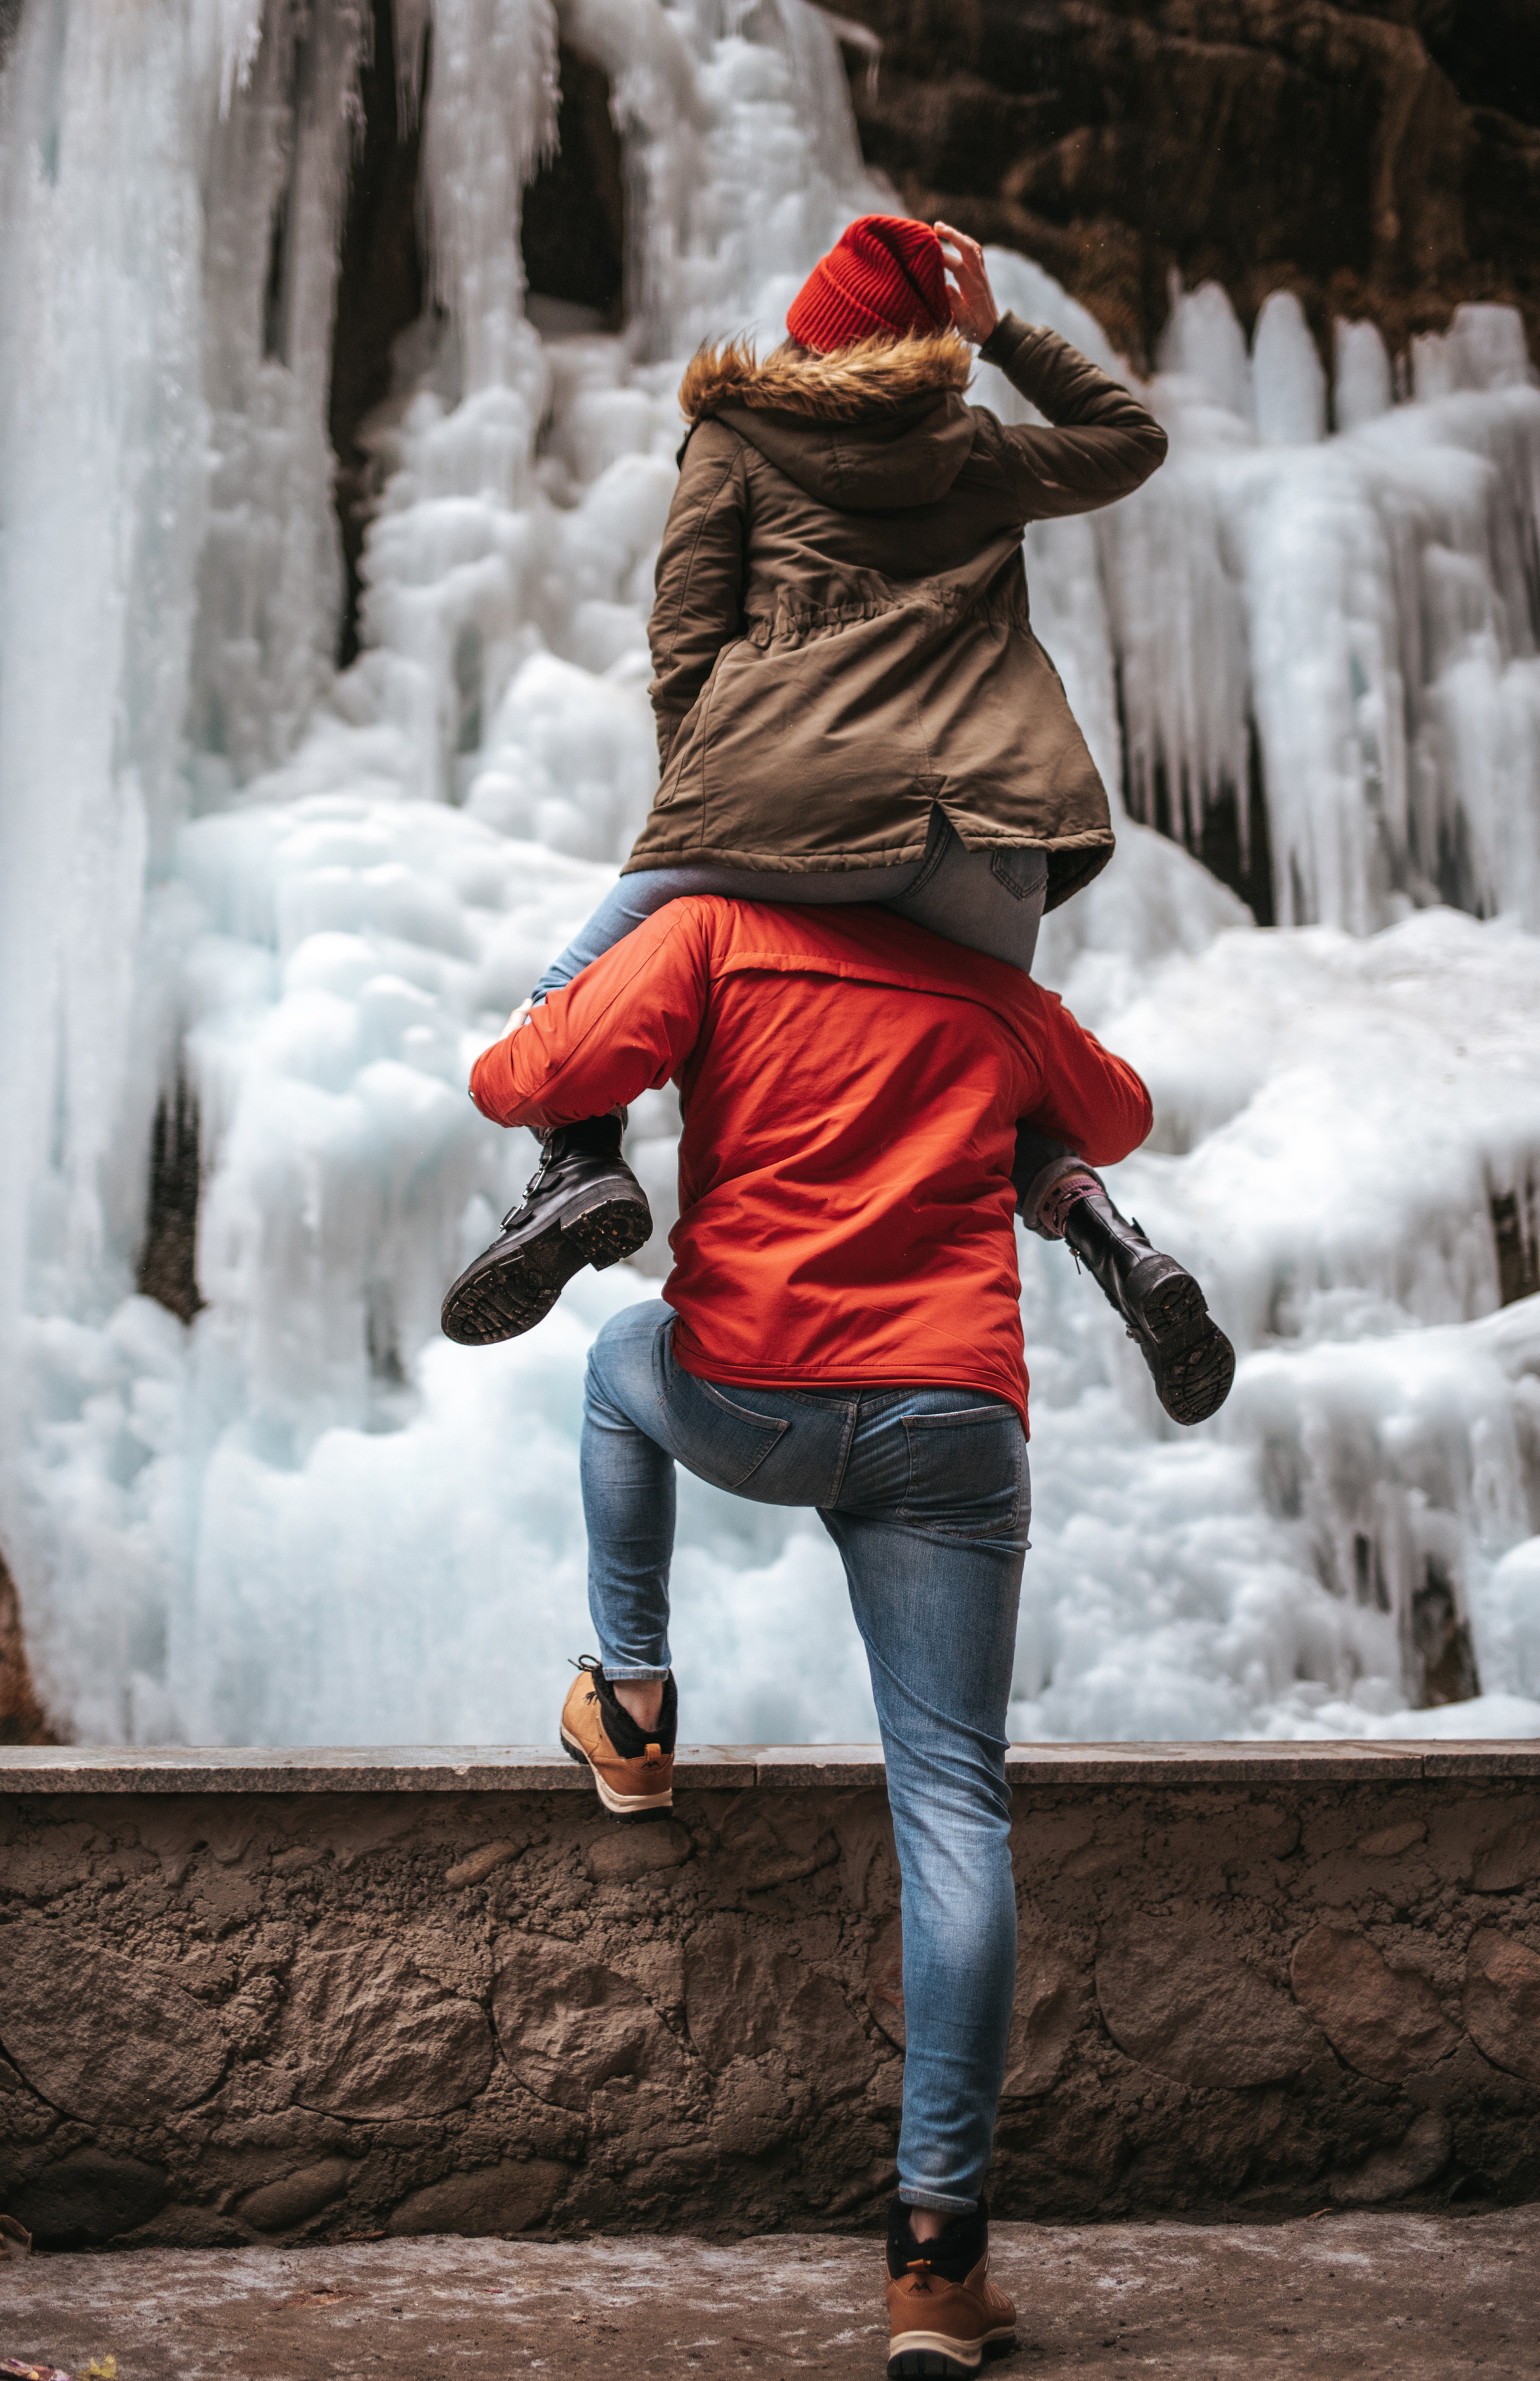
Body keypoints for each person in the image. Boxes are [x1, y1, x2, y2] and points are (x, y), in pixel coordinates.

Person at [466, 886, 1153, 2376]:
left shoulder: (714, 931)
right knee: (956, 1811)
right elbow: (1122, 1106)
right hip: (950, 1422)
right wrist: (1016, 1083)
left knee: (611, 1358)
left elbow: (514, 1074)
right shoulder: (989, 990)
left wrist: (605, 1053)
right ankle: (934, 2267)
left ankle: (631, 1704)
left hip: (750, 1392)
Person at [443, 215, 1234, 1424]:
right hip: (986, 842)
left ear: (812, 334)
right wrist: (1003, 328)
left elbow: (685, 641)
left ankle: (580, 1171)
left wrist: (707, 820)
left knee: (566, 1006)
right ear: (930, 346)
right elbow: (1131, 439)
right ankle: (1107, 1232)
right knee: (973, 1061)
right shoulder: (976, 449)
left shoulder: (737, 432)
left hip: (786, 813)